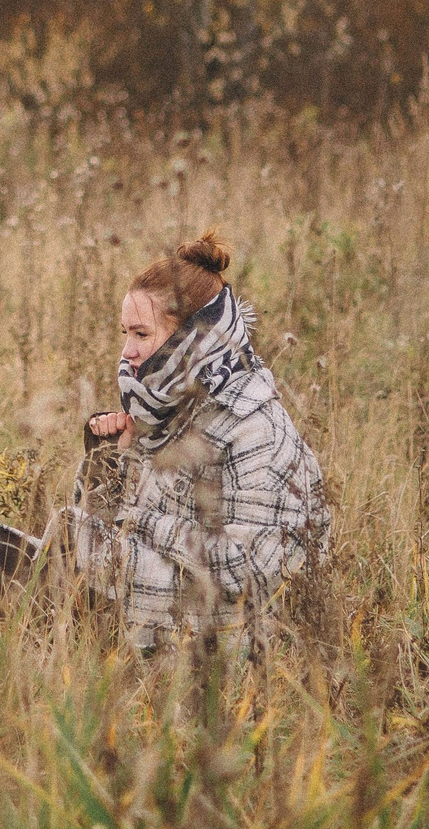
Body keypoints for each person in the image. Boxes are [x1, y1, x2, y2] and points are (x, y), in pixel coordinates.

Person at [72, 231, 329, 652]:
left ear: (192, 338)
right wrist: (105, 463)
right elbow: (108, 521)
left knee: (57, 551)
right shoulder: (167, 408)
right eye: (125, 333)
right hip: (170, 601)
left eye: (141, 334)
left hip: (236, 633)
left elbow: (252, 569)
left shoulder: (253, 424)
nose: (127, 351)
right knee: (17, 552)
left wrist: (134, 517)